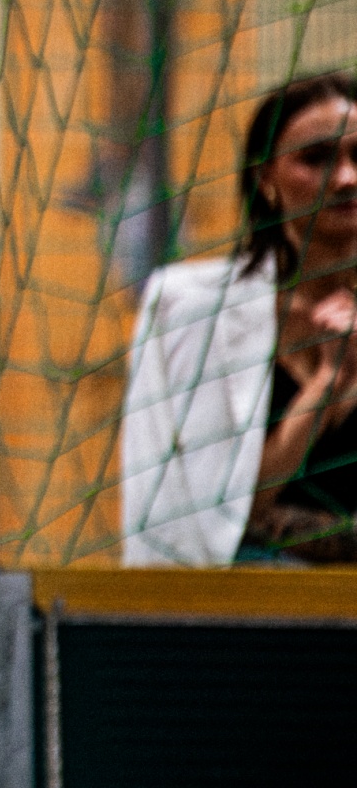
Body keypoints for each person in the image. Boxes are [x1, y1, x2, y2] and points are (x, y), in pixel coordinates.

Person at [123, 71, 357, 565]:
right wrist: (328, 384)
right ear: (264, 177)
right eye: (316, 159)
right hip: (245, 598)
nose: (346, 179)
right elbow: (211, 523)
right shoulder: (197, 308)